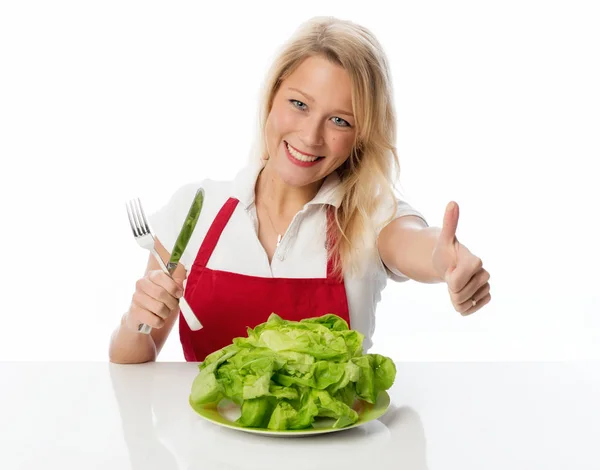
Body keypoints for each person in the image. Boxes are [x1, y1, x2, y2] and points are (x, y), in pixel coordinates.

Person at [109, 16, 491, 364]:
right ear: (272, 96)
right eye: (299, 104)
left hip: (337, 441)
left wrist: (445, 262)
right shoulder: (196, 209)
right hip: (206, 439)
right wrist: (136, 320)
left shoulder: (370, 215)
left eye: (340, 121)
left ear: (361, 136)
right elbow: (130, 368)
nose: (310, 137)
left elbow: (413, 242)